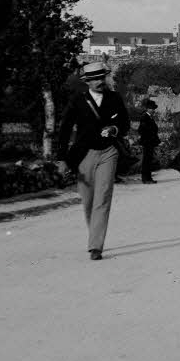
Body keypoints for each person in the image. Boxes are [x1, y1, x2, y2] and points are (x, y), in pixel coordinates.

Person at [56, 61, 131, 261]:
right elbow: (64, 130)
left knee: (103, 197)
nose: (99, 82)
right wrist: (61, 157)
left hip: (109, 152)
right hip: (83, 154)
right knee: (88, 201)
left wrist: (114, 129)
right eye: (95, 79)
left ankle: (96, 246)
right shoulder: (78, 101)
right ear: (87, 82)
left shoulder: (115, 98)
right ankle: (94, 237)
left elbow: (124, 123)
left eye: (102, 77)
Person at [137, 98, 160, 184]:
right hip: (147, 142)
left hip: (150, 142)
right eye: (152, 108)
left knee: (148, 160)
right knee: (146, 160)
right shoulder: (145, 117)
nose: (153, 110)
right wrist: (150, 135)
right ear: (147, 109)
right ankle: (146, 178)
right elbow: (141, 130)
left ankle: (148, 178)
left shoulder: (149, 117)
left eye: (153, 108)